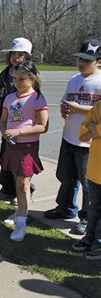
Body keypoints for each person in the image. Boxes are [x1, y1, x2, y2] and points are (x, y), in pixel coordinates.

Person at [43, 39, 101, 236]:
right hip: (69, 137)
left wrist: (78, 108)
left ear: (98, 61)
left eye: (87, 60)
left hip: (89, 142)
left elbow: (98, 111)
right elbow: (65, 100)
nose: (82, 63)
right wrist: (64, 108)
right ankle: (65, 207)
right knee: (65, 176)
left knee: (87, 183)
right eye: (79, 59)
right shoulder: (74, 79)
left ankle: (86, 217)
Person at [0, 61, 49, 241]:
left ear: (32, 79)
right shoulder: (10, 98)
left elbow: (43, 126)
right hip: (12, 145)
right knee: (17, 181)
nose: (17, 83)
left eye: (21, 79)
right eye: (14, 79)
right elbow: (3, 120)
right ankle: (21, 211)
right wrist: (4, 134)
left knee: (23, 183)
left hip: (27, 147)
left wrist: (20, 131)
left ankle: (22, 223)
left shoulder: (37, 99)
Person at [0, 37, 35, 202]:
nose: (15, 57)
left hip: (24, 124)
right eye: (13, 54)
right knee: (6, 156)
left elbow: (36, 99)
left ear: (27, 56)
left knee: (24, 160)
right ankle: (8, 189)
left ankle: (25, 190)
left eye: (20, 54)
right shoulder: (4, 74)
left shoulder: (30, 75)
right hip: (7, 121)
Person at [72, 99, 101, 260]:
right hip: (96, 167)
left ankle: (99, 242)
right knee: (94, 207)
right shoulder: (98, 105)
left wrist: (94, 128)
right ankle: (89, 238)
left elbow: (92, 129)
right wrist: (94, 128)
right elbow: (83, 133)